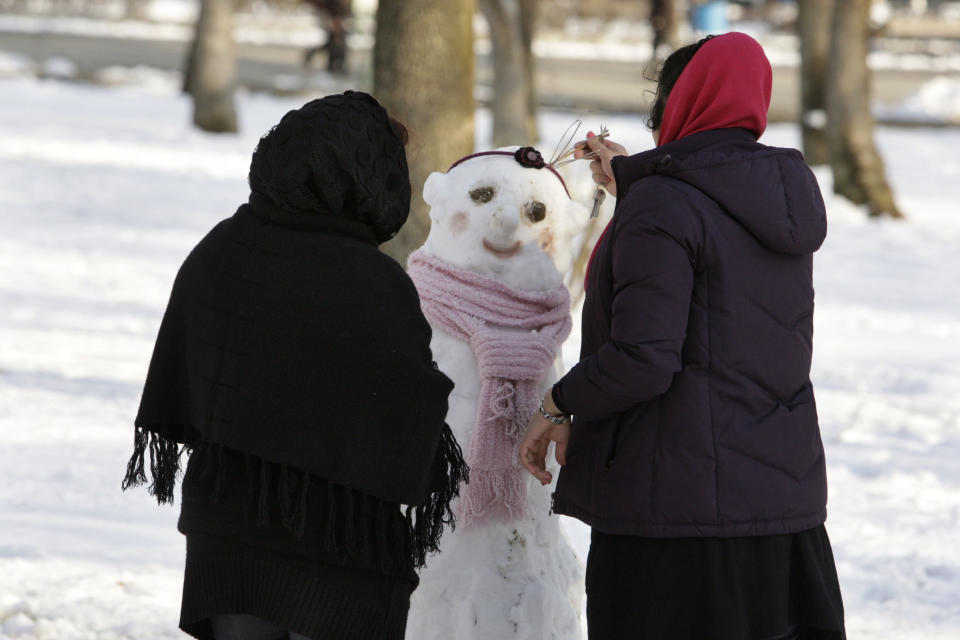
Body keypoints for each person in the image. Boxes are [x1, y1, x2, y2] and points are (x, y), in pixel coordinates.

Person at [519, 33, 846, 640]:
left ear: (681, 98)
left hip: (675, 524)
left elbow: (643, 359)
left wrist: (557, 403)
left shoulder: (664, 206)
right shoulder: (774, 196)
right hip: (778, 512)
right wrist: (636, 182)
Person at [122, 91, 468, 640]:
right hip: (340, 546)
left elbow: (189, 369)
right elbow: (408, 412)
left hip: (228, 527)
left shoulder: (221, 249)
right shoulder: (374, 285)